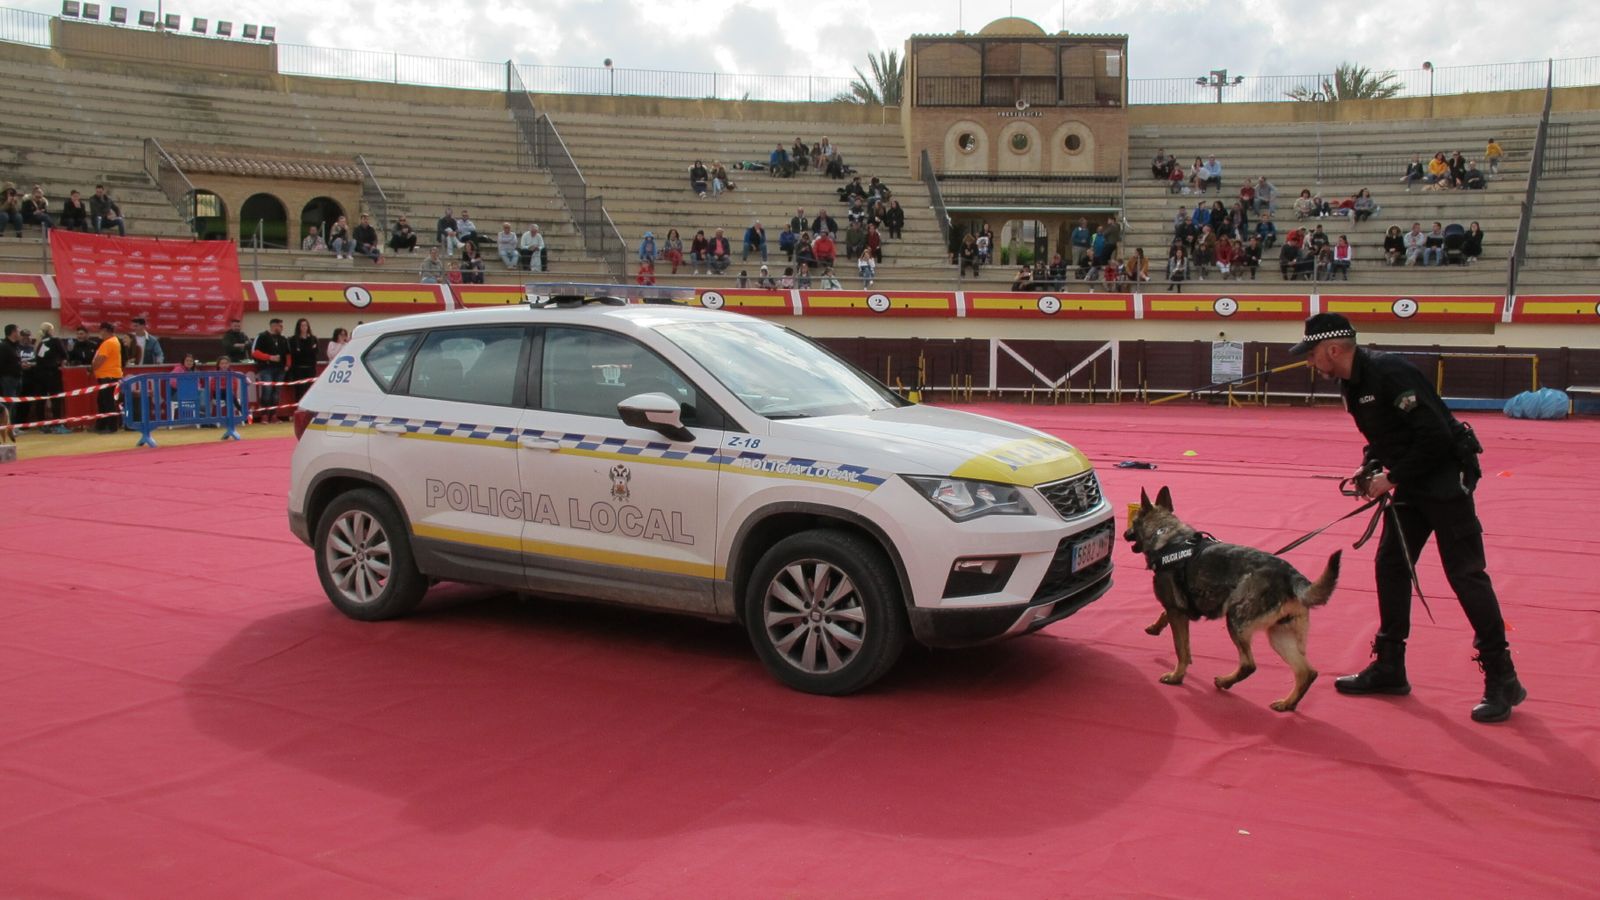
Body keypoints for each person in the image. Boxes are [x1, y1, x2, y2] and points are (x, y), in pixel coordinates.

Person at [1290, 313, 1526, 723]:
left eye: (1312, 355)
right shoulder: (1351, 384)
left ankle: (1502, 677)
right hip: (1410, 481)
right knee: (1391, 565)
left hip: (1445, 479)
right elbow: (1384, 438)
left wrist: (1391, 477)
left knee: (1466, 574)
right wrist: (1371, 467)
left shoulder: (1390, 373)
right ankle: (1390, 666)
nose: (1311, 363)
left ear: (1333, 350)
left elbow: (1434, 437)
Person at [32, 322, 68, 431]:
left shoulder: (39, 342)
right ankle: (57, 424)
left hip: (39, 374)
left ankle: (42, 424)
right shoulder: (55, 340)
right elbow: (65, 355)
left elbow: (38, 359)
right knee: (56, 399)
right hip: (52, 373)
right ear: (51, 330)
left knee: (40, 400)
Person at [251, 318, 288, 423]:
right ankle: (264, 415)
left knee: (276, 393)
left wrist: (287, 365)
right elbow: (254, 352)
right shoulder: (262, 336)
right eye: (280, 326)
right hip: (266, 368)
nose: (282, 328)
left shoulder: (283, 339)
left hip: (280, 369)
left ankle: (274, 415)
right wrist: (269, 357)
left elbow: (287, 353)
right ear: (273, 326)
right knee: (267, 391)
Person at [90, 321, 122, 433]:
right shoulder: (115, 341)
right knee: (103, 401)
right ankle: (102, 425)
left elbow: (101, 359)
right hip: (110, 375)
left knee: (107, 402)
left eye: (101, 331)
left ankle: (111, 427)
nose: (100, 333)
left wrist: (92, 368)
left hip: (108, 375)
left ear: (105, 331)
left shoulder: (108, 343)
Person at [286, 318, 319, 403]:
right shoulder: (293, 340)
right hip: (298, 369)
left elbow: (315, 353)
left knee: (309, 390)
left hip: (310, 368)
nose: (304, 327)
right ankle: (299, 408)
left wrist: (303, 351)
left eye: (306, 325)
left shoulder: (313, 339)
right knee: (299, 390)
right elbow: (295, 354)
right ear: (298, 327)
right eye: (302, 325)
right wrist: (309, 350)